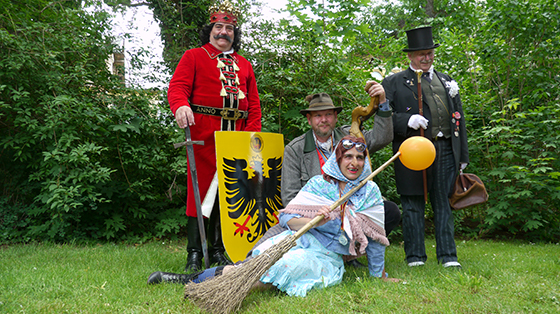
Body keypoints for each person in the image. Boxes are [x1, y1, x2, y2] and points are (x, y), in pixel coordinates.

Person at [148, 136, 400, 296]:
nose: (354, 163)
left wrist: (378, 276)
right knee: (255, 264)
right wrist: (316, 220)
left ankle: (207, 288)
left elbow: (376, 236)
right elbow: (287, 221)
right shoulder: (319, 184)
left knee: (281, 271)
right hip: (297, 239)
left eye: (359, 157)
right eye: (348, 157)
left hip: (326, 255)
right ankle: (189, 280)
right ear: (338, 159)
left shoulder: (369, 192)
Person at [167, 0, 262, 272]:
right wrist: (181, 105)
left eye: (229, 28)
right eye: (219, 27)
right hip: (204, 134)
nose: (224, 32)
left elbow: (253, 104)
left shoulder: (244, 64)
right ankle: (195, 253)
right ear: (210, 30)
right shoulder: (194, 57)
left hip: (237, 136)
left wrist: (251, 135)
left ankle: (220, 249)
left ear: (235, 33)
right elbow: (177, 87)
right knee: (199, 194)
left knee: (228, 193)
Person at [256, 90, 400, 268]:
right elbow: (290, 197)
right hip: (319, 218)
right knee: (269, 243)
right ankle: (335, 255)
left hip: (354, 210)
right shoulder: (295, 149)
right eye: (318, 116)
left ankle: (350, 254)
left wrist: (383, 102)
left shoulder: (351, 136)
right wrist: (321, 214)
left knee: (390, 211)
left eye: (328, 115)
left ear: (336, 118)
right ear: (309, 120)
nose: (323, 120)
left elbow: (382, 137)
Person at [381, 26, 469, 268]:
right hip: (411, 150)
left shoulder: (447, 81)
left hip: (445, 149)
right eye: (421, 54)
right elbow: (383, 116)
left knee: (443, 201)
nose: (426, 58)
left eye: (429, 53)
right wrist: (405, 120)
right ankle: (415, 257)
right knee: (412, 203)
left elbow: (459, 118)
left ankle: (448, 256)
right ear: (409, 56)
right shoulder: (393, 83)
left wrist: (462, 155)